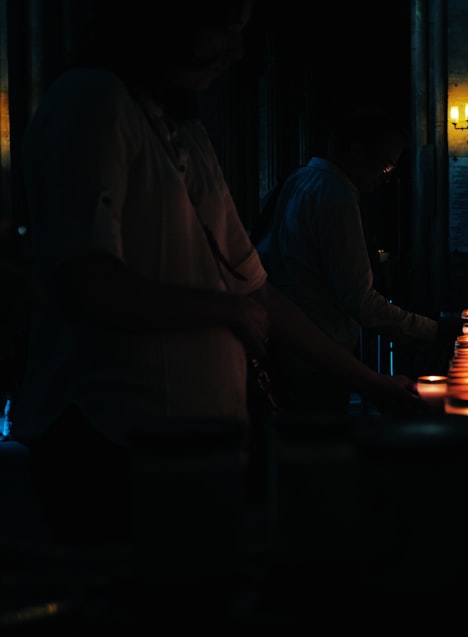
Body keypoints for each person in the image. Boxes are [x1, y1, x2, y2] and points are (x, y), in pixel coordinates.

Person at [11, 0, 425, 548]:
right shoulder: (92, 100)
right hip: (114, 444)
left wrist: (375, 384)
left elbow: (259, 291)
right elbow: (86, 283)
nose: (237, 50)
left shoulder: (184, 129)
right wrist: (224, 311)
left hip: (199, 451)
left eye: (244, 30)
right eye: (225, 26)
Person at [254, 107, 462, 416]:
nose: (385, 178)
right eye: (385, 166)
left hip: (284, 348)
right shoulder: (337, 195)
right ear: (356, 150)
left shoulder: (296, 180)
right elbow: (360, 300)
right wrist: (434, 332)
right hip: (319, 359)